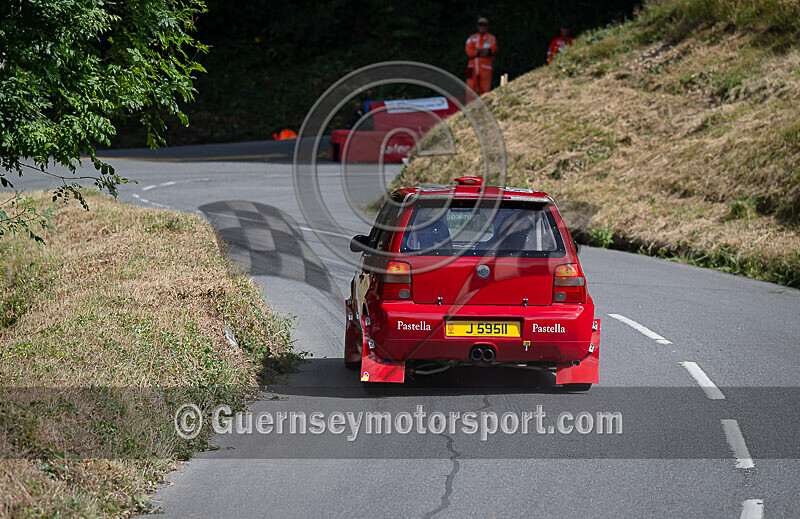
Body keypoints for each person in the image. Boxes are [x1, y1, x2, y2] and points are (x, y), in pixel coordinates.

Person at [465, 17, 497, 96]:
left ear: (487, 26)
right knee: (469, 89)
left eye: (484, 25)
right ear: (477, 26)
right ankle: (470, 107)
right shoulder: (471, 38)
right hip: (471, 67)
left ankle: (484, 107)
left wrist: (476, 50)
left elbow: (491, 50)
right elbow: (469, 52)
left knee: (485, 90)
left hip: (486, 67)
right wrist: (481, 52)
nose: (482, 26)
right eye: (480, 24)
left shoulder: (491, 38)